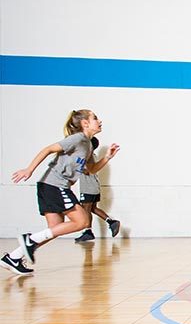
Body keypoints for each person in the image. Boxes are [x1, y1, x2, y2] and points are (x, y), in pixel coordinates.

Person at [4, 110, 119, 275]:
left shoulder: (87, 144)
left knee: (55, 229)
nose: (99, 121)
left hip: (51, 186)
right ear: (85, 123)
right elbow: (48, 149)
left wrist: (107, 157)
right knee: (83, 221)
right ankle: (29, 241)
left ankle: (13, 257)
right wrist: (29, 169)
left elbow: (91, 170)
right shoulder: (77, 138)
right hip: (54, 185)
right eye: (95, 118)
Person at [74, 137, 121, 243]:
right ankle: (111, 222)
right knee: (92, 208)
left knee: (86, 209)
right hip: (93, 186)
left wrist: (75, 166)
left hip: (88, 187)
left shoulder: (88, 156)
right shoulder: (92, 156)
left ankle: (88, 231)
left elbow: (87, 171)